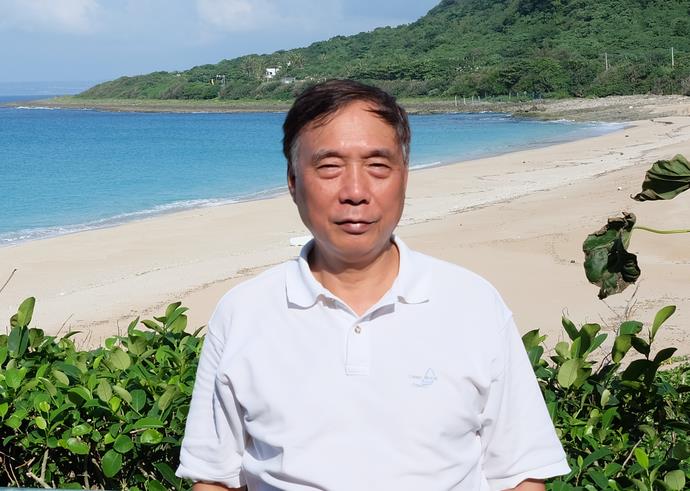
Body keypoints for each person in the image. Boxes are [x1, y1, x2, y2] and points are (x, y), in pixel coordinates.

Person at [176, 80, 570, 490]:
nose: (355, 192)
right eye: (329, 167)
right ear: (293, 181)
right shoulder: (244, 312)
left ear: (404, 178)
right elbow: (215, 478)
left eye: (378, 166)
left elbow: (521, 474)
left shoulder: (473, 303)